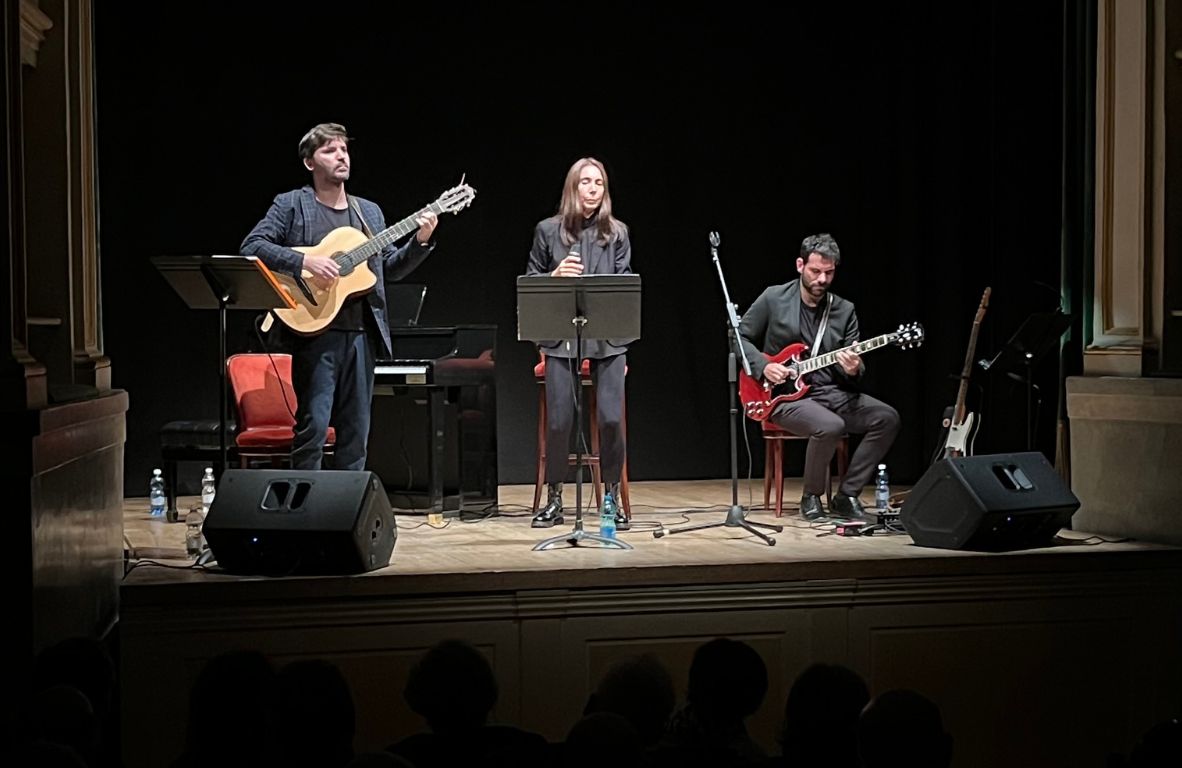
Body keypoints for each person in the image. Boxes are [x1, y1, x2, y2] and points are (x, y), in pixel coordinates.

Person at [241, 122, 439, 470]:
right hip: (315, 334)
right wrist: (306, 262)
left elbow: (387, 269)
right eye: (330, 150)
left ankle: (346, 517)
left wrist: (420, 242)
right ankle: (305, 513)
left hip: (361, 335)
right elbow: (253, 245)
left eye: (344, 149)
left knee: (356, 434)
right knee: (313, 429)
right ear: (310, 162)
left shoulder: (369, 212)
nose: (341, 156)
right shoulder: (292, 205)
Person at [738, 233, 900, 521]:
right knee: (831, 426)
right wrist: (763, 367)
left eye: (829, 272)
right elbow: (739, 337)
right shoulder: (773, 298)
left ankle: (847, 495)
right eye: (815, 271)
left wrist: (852, 368)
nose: (822, 280)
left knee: (887, 418)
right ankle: (811, 496)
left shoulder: (844, 310)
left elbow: (854, 367)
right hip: (783, 397)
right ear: (800, 265)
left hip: (831, 392)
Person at [525, 157, 633, 529]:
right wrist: (554, 276)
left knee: (611, 418)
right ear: (573, 187)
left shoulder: (617, 233)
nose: (592, 189)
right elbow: (530, 282)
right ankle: (555, 497)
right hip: (561, 340)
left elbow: (622, 288)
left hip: (607, 340)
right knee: (559, 422)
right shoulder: (547, 230)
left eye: (599, 183)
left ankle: (610, 500)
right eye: (585, 182)